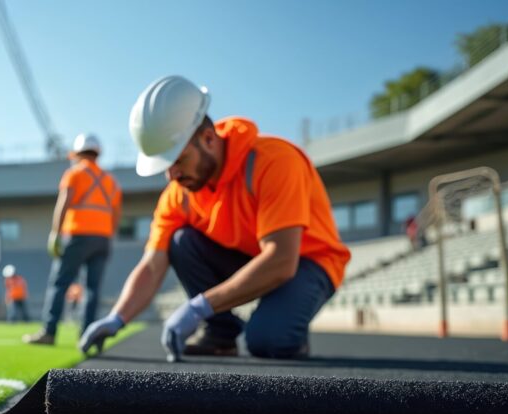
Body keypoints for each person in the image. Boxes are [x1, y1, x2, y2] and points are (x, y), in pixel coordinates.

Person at [80, 75, 350, 361]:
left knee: (268, 341)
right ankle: (220, 334)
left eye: (178, 161)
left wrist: (199, 307)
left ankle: (285, 328)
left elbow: (282, 260)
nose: (172, 175)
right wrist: (117, 318)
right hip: (253, 256)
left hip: (308, 262)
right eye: (164, 166)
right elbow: (152, 265)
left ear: (208, 139)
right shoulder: (179, 192)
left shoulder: (274, 161)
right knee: (181, 240)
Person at [23, 133, 122, 345]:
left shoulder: (74, 173)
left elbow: (63, 203)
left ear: (76, 153)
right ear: (98, 153)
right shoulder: (111, 181)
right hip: (103, 239)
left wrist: (55, 233)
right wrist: (107, 235)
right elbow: (116, 214)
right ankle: (88, 335)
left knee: (59, 283)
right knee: (93, 289)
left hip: (77, 235)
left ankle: (49, 331)